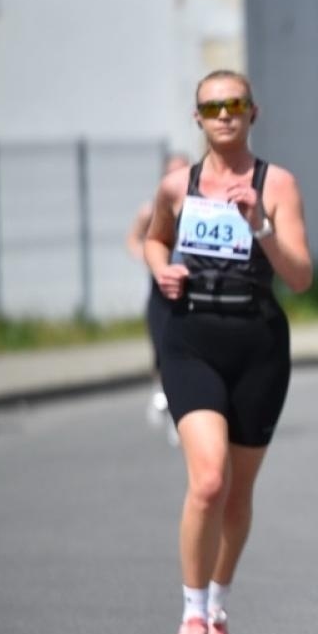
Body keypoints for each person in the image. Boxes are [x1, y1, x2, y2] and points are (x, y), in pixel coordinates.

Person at [144, 70, 312, 634]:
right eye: (212, 106)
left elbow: (300, 276)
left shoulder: (277, 184)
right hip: (190, 339)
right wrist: (160, 266)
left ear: (252, 112)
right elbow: (153, 239)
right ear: (197, 118)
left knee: (238, 493)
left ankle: (218, 610)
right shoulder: (177, 185)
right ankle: (191, 618)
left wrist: (260, 225)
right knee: (208, 480)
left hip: (258, 345)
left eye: (234, 104)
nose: (223, 114)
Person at [126, 151, 191, 440]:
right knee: (161, 353)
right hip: (161, 294)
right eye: (172, 172)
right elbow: (134, 240)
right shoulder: (151, 209)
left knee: (185, 353)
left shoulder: (201, 206)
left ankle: (180, 414)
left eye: (183, 170)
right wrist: (153, 261)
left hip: (190, 293)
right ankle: (162, 394)